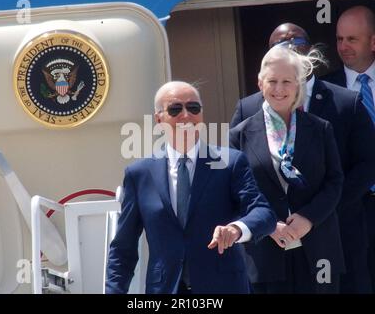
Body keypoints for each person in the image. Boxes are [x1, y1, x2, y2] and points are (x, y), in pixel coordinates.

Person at [230, 23, 375, 294]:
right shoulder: (242, 125)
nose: (279, 89)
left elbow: (337, 178)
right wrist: (267, 222)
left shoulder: (321, 126)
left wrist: (311, 217)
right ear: (260, 82)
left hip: (321, 243)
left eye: (287, 82)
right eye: (272, 81)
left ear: (298, 84)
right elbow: (238, 186)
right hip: (267, 251)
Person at [105, 81, 277, 294]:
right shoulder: (139, 173)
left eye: (193, 108)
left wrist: (236, 229)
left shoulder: (230, 163)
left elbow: (264, 214)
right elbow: (123, 247)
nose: (186, 115)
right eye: (175, 109)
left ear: (201, 115)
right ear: (159, 119)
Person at [321, 5, 375, 292]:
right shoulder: (323, 90)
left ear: (373, 41)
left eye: (352, 39)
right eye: (340, 39)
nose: (343, 47)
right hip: (350, 208)